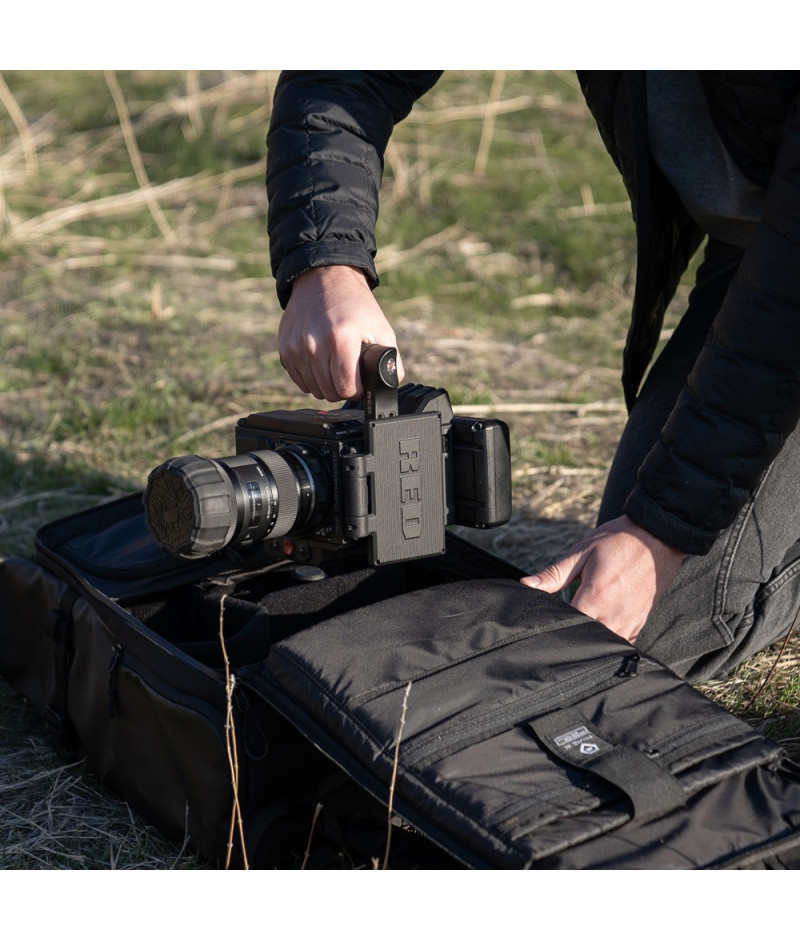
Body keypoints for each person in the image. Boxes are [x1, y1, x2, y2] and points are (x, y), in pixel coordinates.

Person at [266, 71, 800, 683]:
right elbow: (346, 70)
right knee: (598, 605)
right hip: (755, 250)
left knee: (653, 617)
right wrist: (326, 263)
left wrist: (662, 530)